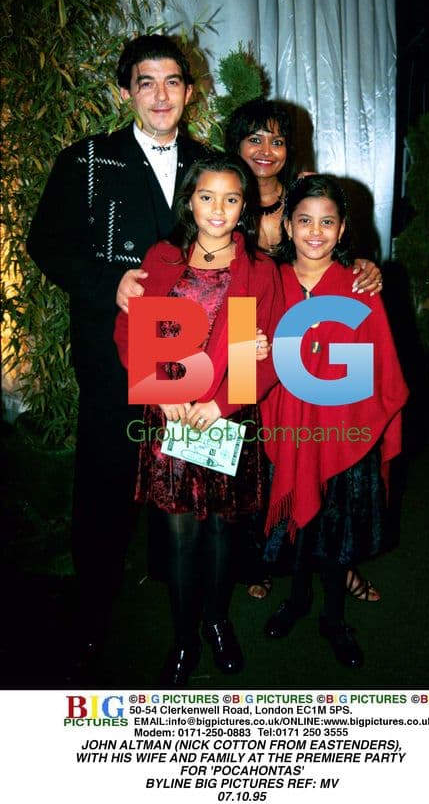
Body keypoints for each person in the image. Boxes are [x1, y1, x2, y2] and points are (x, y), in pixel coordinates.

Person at [26, 34, 209, 664]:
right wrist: (111, 282)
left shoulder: (210, 164)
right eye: (146, 82)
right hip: (113, 356)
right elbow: (45, 243)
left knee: (192, 481)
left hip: (195, 361)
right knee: (104, 483)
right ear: (127, 90)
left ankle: (199, 616)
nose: (160, 95)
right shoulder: (86, 161)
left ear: (189, 90)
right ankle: (94, 611)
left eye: (172, 82)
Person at [114, 154, 284, 686]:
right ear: (190, 199)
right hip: (170, 417)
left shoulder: (258, 269)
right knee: (181, 534)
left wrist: (221, 407)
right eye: (207, 197)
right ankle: (184, 639)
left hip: (222, 419)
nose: (218, 209)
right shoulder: (163, 259)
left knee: (220, 535)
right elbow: (128, 334)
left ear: (245, 207)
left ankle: (217, 621)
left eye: (231, 199)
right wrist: (163, 396)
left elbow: (270, 350)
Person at [225, 99, 384, 601]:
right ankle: (266, 559)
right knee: (255, 458)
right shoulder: (223, 193)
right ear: (235, 146)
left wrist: (364, 267)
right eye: (254, 138)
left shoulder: (304, 193)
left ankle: (339, 566)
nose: (266, 150)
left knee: (324, 444)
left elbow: (332, 243)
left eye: (277, 139)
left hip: (306, 344)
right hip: (244, 333)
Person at [259, 175, 408, 668]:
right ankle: (298, 599)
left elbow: (379, 368)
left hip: (345, 430)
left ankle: (334, 616)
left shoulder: (358, 287)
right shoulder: (268, 280)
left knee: (336, 526)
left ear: (343, 229)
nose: (315, 232)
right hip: (286, 424)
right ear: (288, 224)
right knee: (302, 524)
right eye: (304, 220)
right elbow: (243, 353)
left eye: (327, 222)